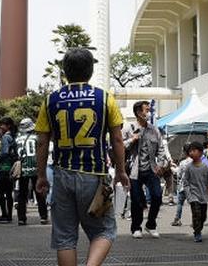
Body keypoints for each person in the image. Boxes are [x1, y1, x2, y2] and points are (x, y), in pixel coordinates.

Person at [34, 48, 129, 266]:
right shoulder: (105, 99)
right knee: (104, 230)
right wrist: (121, 170)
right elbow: (117, 140)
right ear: (91, 70)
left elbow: (42, 142)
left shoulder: (50, 101)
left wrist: (41, 175)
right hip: (94, 177)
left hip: (62, 174)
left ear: (65, 71)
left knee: (65, 237)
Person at [122, 101, 170, 238]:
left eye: (149, 110)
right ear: (138, 112)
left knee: (157, 196)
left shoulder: (154, 130)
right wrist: (132, 140)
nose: (149, 113)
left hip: (151, 168)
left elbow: (161, 148)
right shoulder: (128, 128)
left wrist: (160, 164)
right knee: (136, 200)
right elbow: (117, 146)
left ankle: (151, 224)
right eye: (146, 110)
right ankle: (136, 228)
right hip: (134, 170)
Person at [15, 116, 48, 225]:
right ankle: (43, 216)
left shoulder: (17, 139)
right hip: (36, 167)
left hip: (23, 168)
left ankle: (21, 218)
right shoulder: (36, 138)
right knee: (39, 192)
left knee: (22, 195)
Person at [181, 142, 208, 243]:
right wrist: (189, 195)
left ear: (200, 153)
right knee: (196, 214)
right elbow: (185, 182)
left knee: (203, 216)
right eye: (190, 151)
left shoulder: (206, 168)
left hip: (204, 196)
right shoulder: (188, 168)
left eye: (194, 151)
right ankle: (197, 232)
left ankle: (199, 228)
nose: (191, 153)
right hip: (193, 196)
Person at [0, 117, 18, 222]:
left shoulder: (5, 137)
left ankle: (4, 214)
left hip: (4, 167)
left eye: (3, 124)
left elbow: (4, 152)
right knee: (9, 193)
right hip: (11, 167)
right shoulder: (14, 136)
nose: (1, 127)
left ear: (8, 126)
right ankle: (9, 215)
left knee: (0, 192)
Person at [169, 143, 194, 227]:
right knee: (192, 205)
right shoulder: (194, 161)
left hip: (183, 186)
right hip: (192, 187)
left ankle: (177, 219)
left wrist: (172, 167)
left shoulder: (183, 163)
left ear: (184, 152)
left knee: (180, 203)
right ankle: (195, 221)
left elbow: (178, 173)